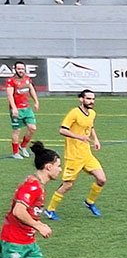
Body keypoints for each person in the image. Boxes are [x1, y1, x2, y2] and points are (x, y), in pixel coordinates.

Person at [45, 89, 105, 219]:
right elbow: (62, 130)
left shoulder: (92, 113)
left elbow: (90, 127)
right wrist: (79, 137)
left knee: (101, 179)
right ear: (81, 99)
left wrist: (96, 139)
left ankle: (89, 202)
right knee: (67, 185)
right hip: (74, 156)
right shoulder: (74, 113)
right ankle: (50, 210)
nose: (91, 101)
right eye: (88, 99)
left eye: (93, 99)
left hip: (87, 155)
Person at [7, 61, 39, 158]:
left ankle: (23, 146)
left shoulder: (27, 79)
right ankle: (15, 153)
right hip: (17, 109)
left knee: (32, 128)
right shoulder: (11, 81)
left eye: (22, 69)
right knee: (16, 131)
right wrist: (14, 108)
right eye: (19, 69)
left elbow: (31, 89)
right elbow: (9, 95)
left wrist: (36, 101)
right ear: (15, 69)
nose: (21, 70)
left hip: (27, 108)